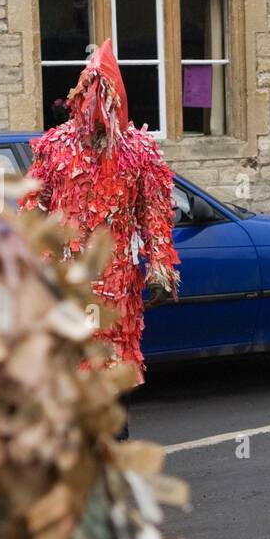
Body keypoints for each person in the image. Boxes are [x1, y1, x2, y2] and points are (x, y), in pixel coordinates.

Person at [21, 39, 179, 439]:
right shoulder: (55, 147)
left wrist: (160, 267)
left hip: (116, 290)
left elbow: (155, 214)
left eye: (105, 104)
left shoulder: (140, 152)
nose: (95, 115)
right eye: (88, 101)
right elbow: (30, 207)